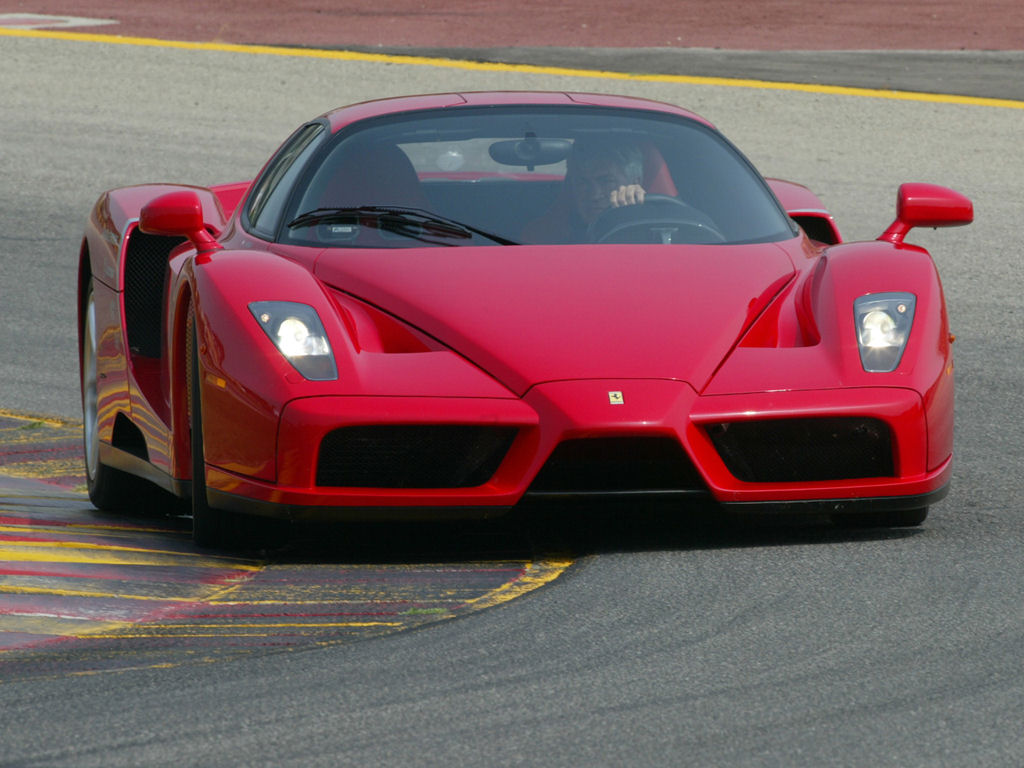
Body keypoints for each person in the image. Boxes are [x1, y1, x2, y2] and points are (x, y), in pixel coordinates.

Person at [522, 138, 647, 243]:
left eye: (606, 181)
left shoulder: (658, 227)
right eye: (583, 183)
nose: (594, 195)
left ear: (635, 182)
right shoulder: (552, 234)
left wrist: (634, 213)